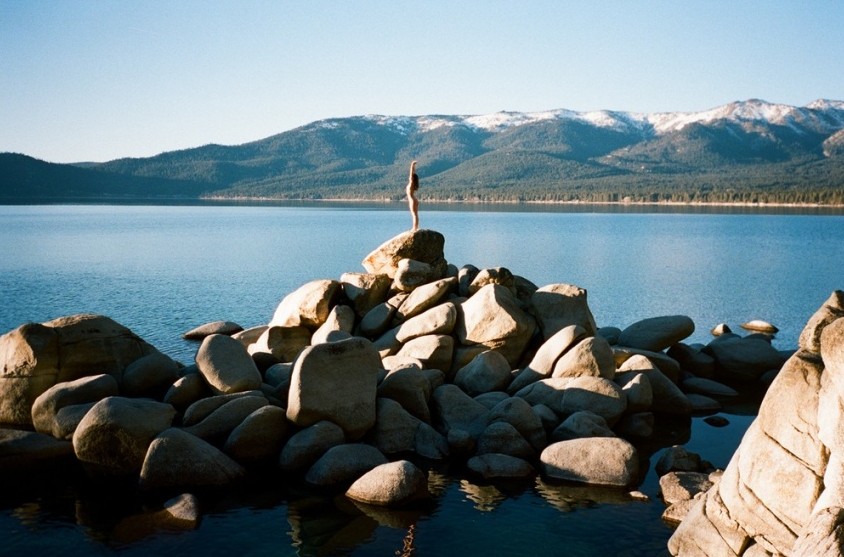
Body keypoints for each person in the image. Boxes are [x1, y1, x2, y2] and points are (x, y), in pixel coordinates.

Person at [406, 160, 420, 231]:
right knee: (415, 214)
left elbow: (411, 174)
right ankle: (415, 227)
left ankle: (415, 228)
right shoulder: (412, 184)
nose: (409, 177)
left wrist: (412, 165)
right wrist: (414, 166)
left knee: (414, 214)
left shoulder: (411, 183)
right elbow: (413, 174)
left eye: (411, 177)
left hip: (412, 200)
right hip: (414, 199)